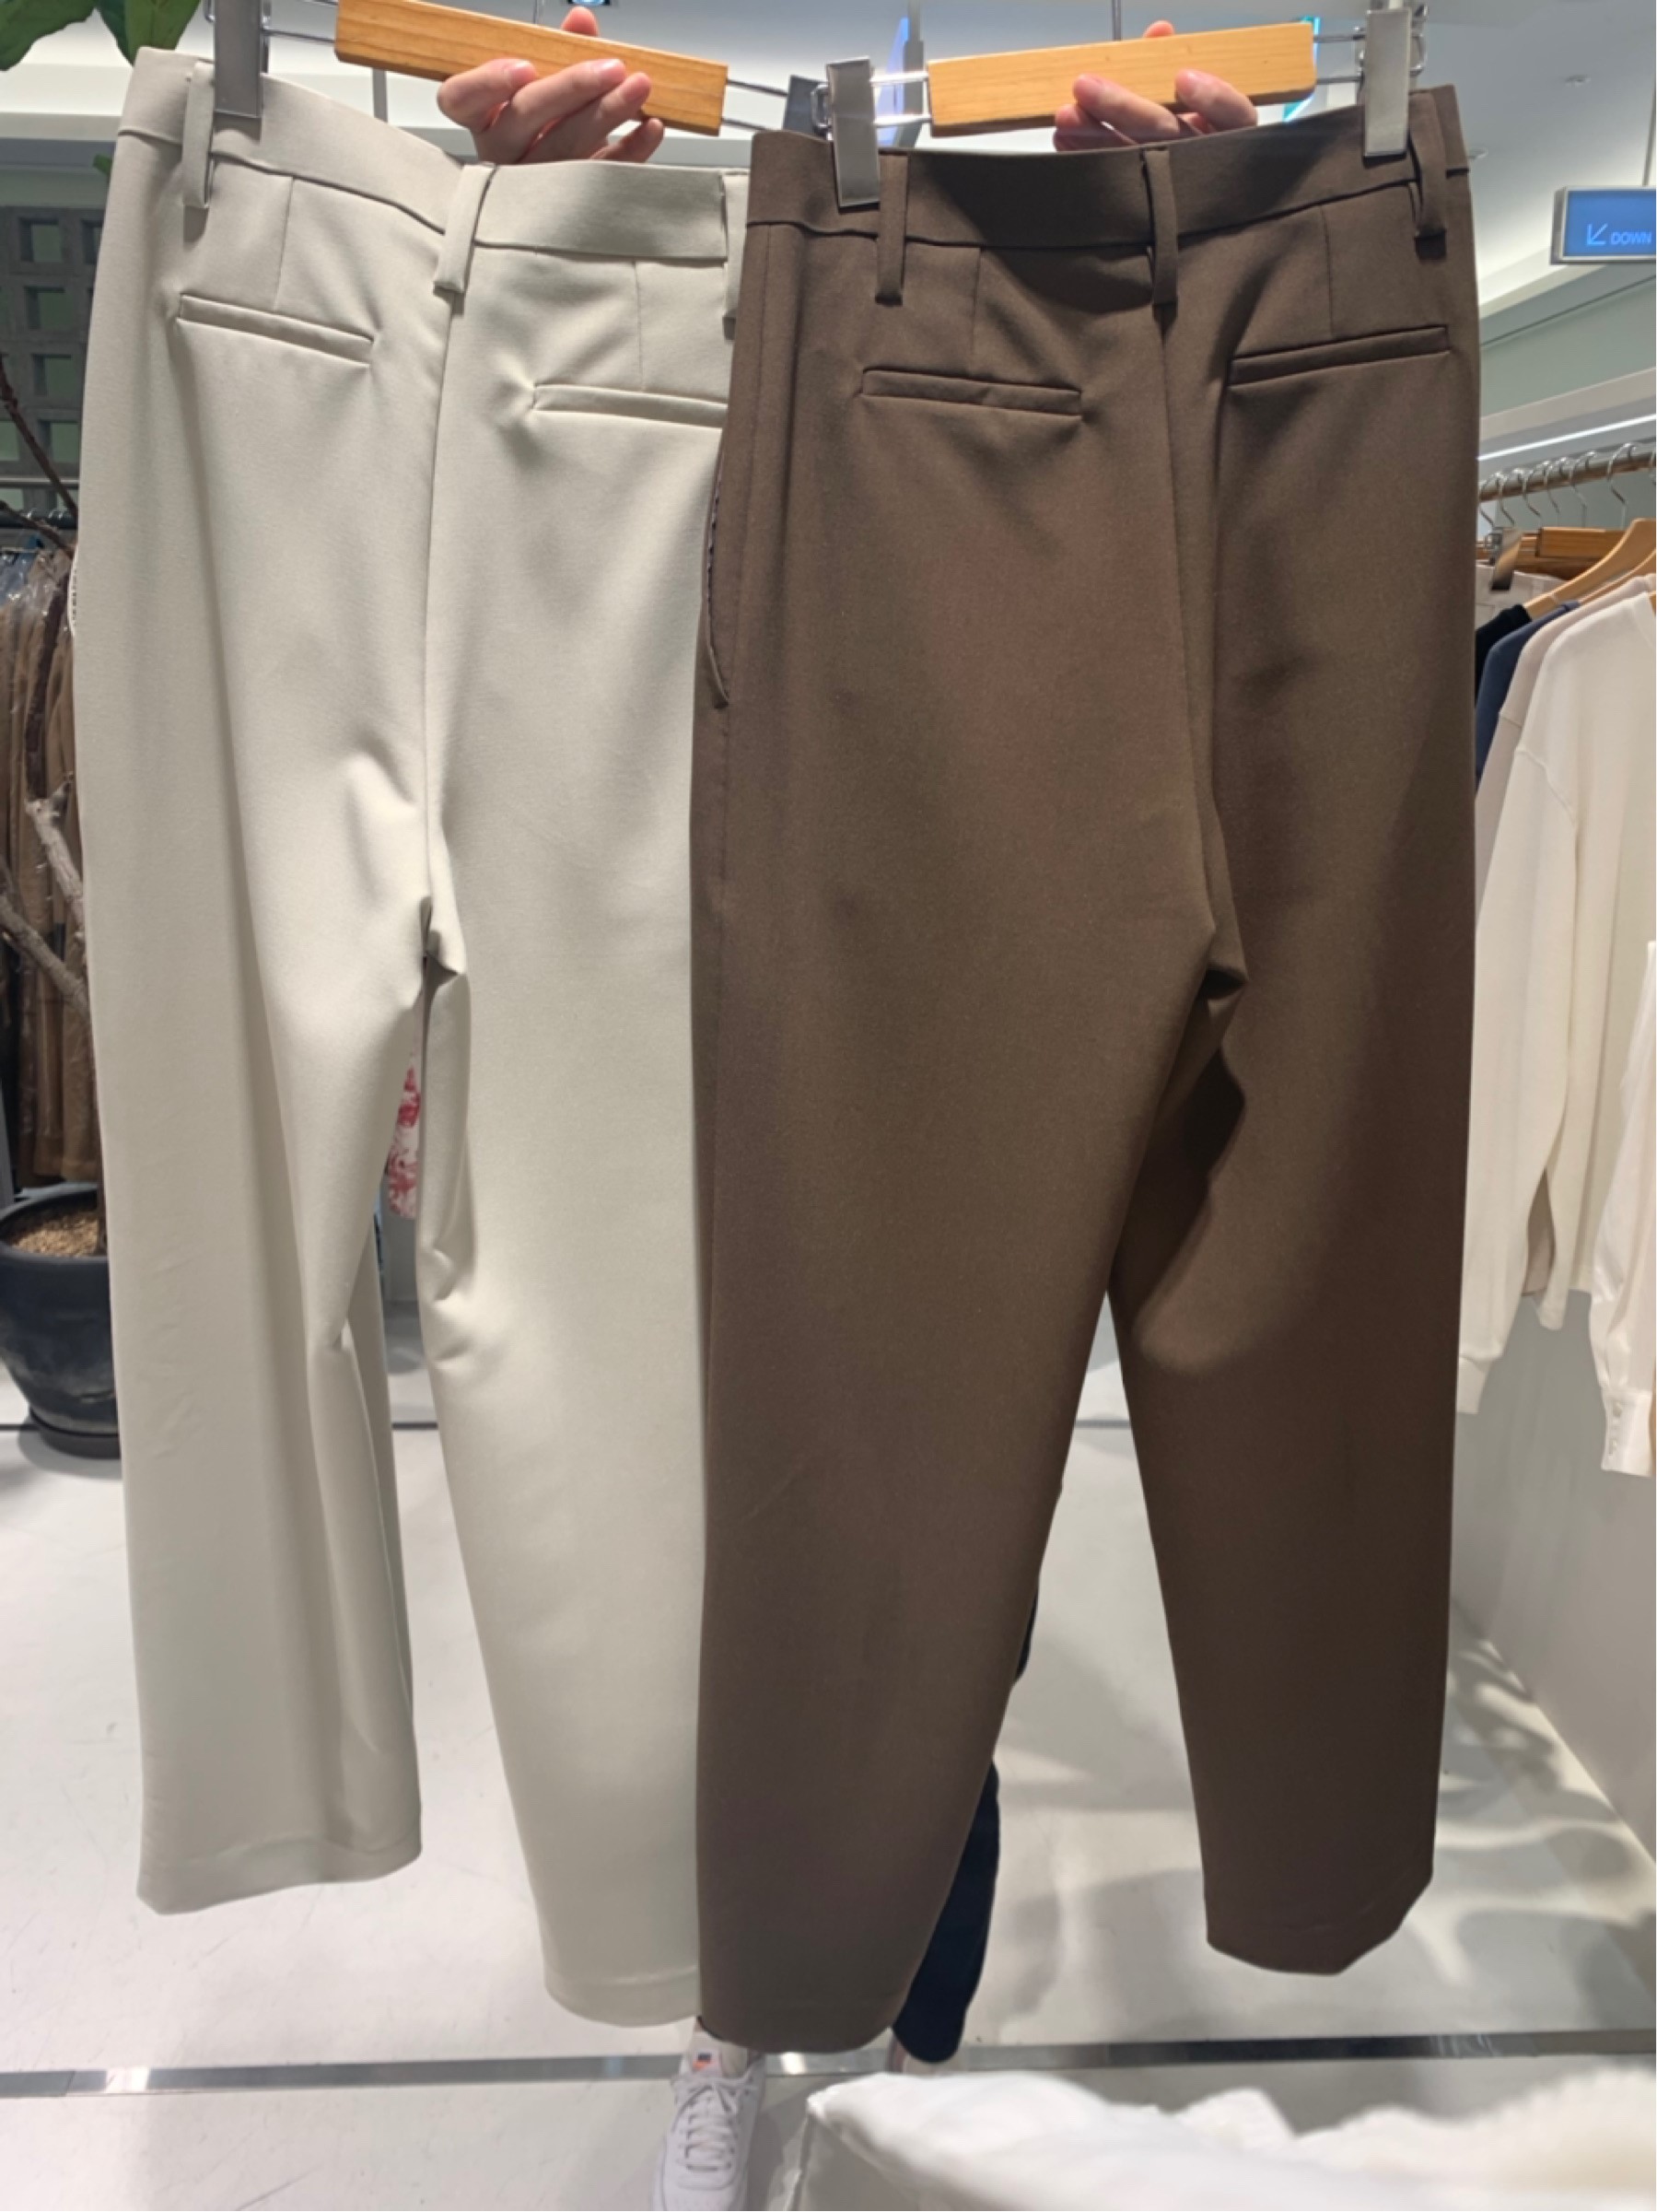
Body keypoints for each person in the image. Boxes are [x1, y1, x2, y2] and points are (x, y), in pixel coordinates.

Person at [437, 16, 1258, 2206]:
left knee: (926, 1487)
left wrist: (1221, 254)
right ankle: (740, 2009)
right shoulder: (660, 223)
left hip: (954, 600)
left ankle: (894, 2028)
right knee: (667, 1465)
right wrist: (502, 232)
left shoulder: (988, 225)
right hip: (637, 618)